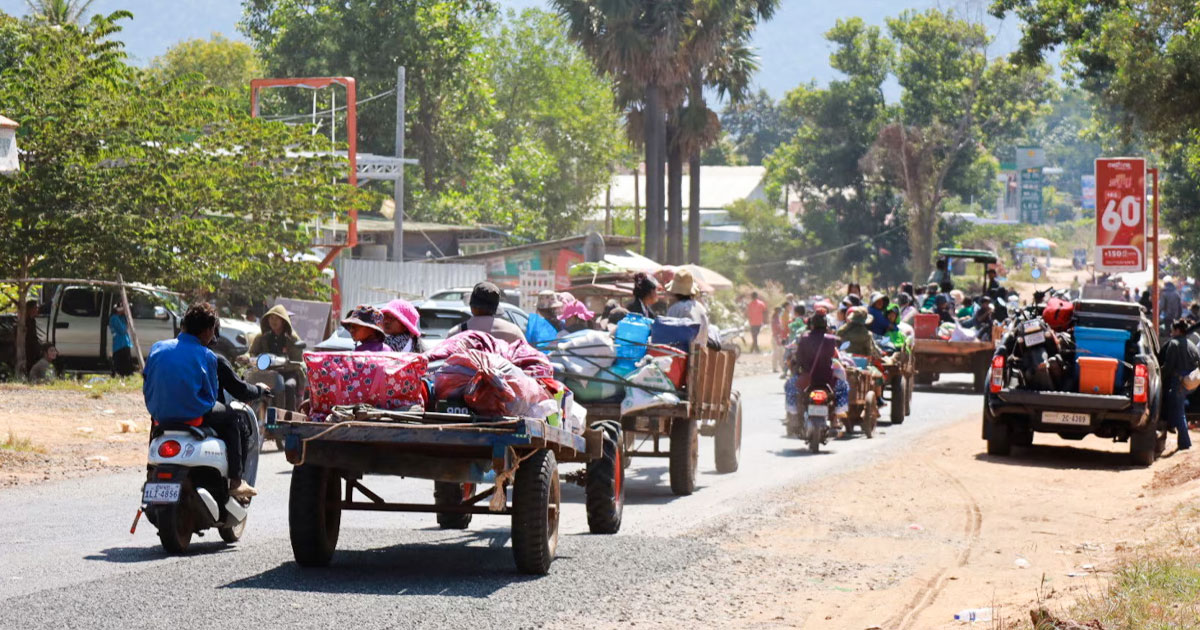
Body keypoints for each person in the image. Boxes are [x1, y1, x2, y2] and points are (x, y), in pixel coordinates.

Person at [143, 303, 258, 499]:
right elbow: (211, 394)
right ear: (207, 331)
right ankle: (237, 482)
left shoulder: (157, 348)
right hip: (194, 414)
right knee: (232, 419)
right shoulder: (207, 356)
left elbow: (147, 380)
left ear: (184, 325)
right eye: (212, 330)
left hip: (159, 413)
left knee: (155, 426)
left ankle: (150, 471)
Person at [248, 305, 308, 410]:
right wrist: (245, 358)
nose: (273, 321)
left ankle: (289, 417)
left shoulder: (292, 338)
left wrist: (285, 365)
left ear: (283, 320)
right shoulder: (262, 337)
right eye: (271, 318)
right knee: (249, 384)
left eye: (277, 318)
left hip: (288, 373)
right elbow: (252, 353)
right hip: (266, 373)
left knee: (289, 386)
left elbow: (298, 361)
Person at [1160, 319, 1199, 451]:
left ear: (1177, 330)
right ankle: (1171, 425)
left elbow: (1168, 366)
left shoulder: (1174, 344)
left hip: (1179, 382)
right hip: (1192, 383)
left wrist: (1158, 376)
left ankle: (1185, 442)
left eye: (1172, 330)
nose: (1171, 333)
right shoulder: (1192, 344)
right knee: (1175, 403)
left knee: (1179, 412)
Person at [450, 282, 525, 343]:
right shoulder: (513, 331)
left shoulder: (456, 333)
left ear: (472, 307)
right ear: (496, 309)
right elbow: (528, 356)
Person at [665, 268, 710, 345]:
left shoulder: (674, 309)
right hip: (699, 352)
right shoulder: (700, 307)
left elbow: (667, 336)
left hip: (680, 354)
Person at [109, 304, 135, 377]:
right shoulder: (114, 318)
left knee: (126, 362)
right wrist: (127, 326)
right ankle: (120, 374)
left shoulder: (121, 317)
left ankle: (126, 375)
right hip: (120, 344)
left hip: (125, 343)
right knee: (121, 362)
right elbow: (122, 330)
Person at [20, 299, 40, 376]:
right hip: (27, 347)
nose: (37, 310)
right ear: (30, 309)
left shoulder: (33, 321)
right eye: (35, 308)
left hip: (33, 347)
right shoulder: (25, 321)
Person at [770, 305, 787, 373]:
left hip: (778, 337)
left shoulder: (777, 318)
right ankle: (775, 368)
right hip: (776, 338)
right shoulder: (775, 319)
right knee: (776, 353)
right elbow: (776, 329)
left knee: (780, 353)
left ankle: (782, 367)